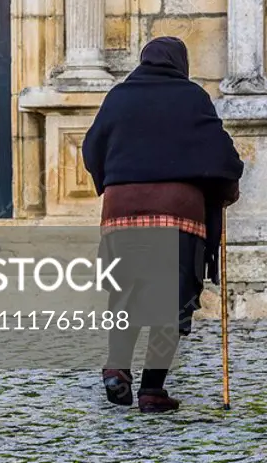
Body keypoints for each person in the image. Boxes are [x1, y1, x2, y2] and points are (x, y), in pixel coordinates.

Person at [81, 36, 244, 413]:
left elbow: (92, 148)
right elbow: (221, 155)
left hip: (122, 213)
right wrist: (222, 185)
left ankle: (117, 369)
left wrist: (118, 178)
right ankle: (152, 391)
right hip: (176, 215)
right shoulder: (191, 97)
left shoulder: (118, 97)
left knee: (126, 293)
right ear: (179, 63)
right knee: (171, 300)